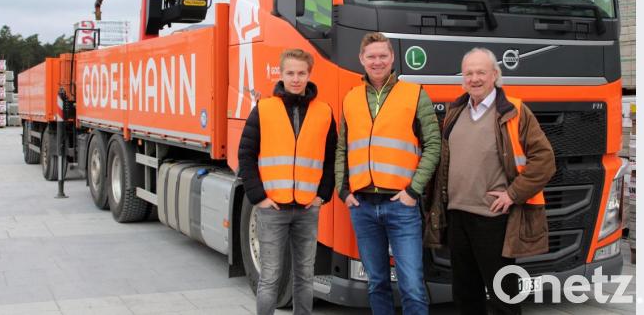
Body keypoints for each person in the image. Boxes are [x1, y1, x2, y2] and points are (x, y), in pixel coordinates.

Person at [424, 47, 556, 315]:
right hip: (457, 216)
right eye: (469, 73)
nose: (474, 78)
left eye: (481, 72)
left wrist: (513, 194)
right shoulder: (455, 111)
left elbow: (545, 160)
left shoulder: (514, 111)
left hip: (493, 218)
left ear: (495, 75)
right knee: (464, 293)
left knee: (503, 295)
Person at [335, 32, 441, 315]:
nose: (377, 61)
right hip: (363, 206)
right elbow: (342, 149)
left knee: (412, 286)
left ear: (393, 58)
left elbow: (433, 146)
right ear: (361, 60)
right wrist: (343, 192)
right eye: (371, 56)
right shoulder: (350, 98)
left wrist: (413, 191)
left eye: (383, 55)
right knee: (377, 283)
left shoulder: (415, 94)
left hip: (401, 206)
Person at [237, 49, 337, 315]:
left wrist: (322, 195)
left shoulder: (324, 112)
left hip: (307, 208)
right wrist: (259, 197)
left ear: (309, 75)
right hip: (273, 208)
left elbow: (331, 159)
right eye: (290, 73)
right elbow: (245, 155)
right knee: (270, 277)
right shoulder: (264, 109)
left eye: (301, 73)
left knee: (305, 276)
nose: (296, 78)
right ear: (280, 74)